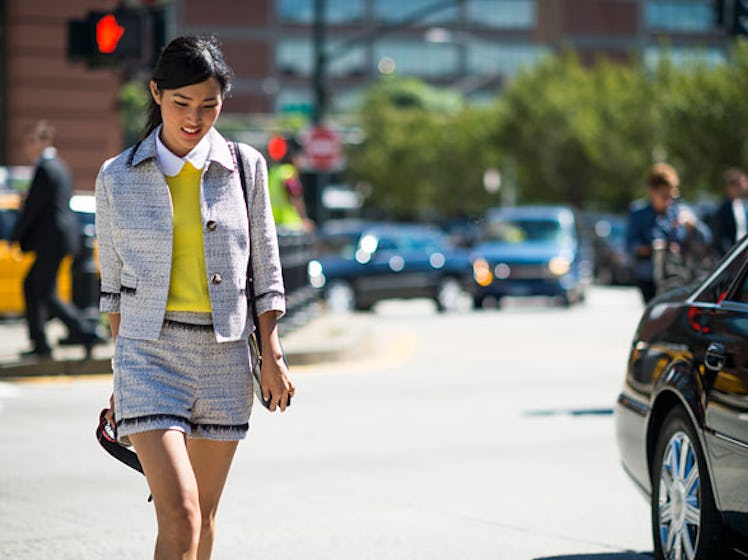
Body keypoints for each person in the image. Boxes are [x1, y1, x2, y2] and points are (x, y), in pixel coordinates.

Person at [95, 35, 295, 560]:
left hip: (225, 358)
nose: (195, 117)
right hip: (148, 355)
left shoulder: (245, 166)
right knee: (180, 513)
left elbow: (266, 268)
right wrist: (121, 375)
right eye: (181, 102)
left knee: (203, 520)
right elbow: (111, 290)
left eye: (209, 104)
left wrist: (270, 353)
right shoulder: (117, 176)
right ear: (156, 93)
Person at [11, 120, 105, 359]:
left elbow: (34, 208)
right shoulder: (58, 166)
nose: (27, 147)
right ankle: (45, 342)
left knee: (38, 288)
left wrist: (16, 236)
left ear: (46, 141)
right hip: (59, 238)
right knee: (38, 288)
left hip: (52, 240)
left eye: (32, 141)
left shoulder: (46, 168)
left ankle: (83, 332)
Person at [626, 163, 712, 303]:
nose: (669, 201)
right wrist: (653, 247)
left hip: (679, 276)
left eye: (672, 195)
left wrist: (693, 226)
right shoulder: (638, 212)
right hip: (649, 277)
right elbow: (631, 245)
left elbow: (706, 238)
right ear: (652, 191)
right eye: (664, 195)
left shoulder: (681, 211)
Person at [267, 138, 314, 232]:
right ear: (293, 156)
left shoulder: (273, 172)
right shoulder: (289, 173)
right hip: (290, 225)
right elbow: (296, 197)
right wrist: (304, 220)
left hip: (273, 223)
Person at [713, 167, 748, 257]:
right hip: (733, 255)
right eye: (741, 184)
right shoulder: (724, 209)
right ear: (731, 187)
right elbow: (720, 237)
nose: (745, 187)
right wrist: (731, 254)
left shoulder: (744, 206)